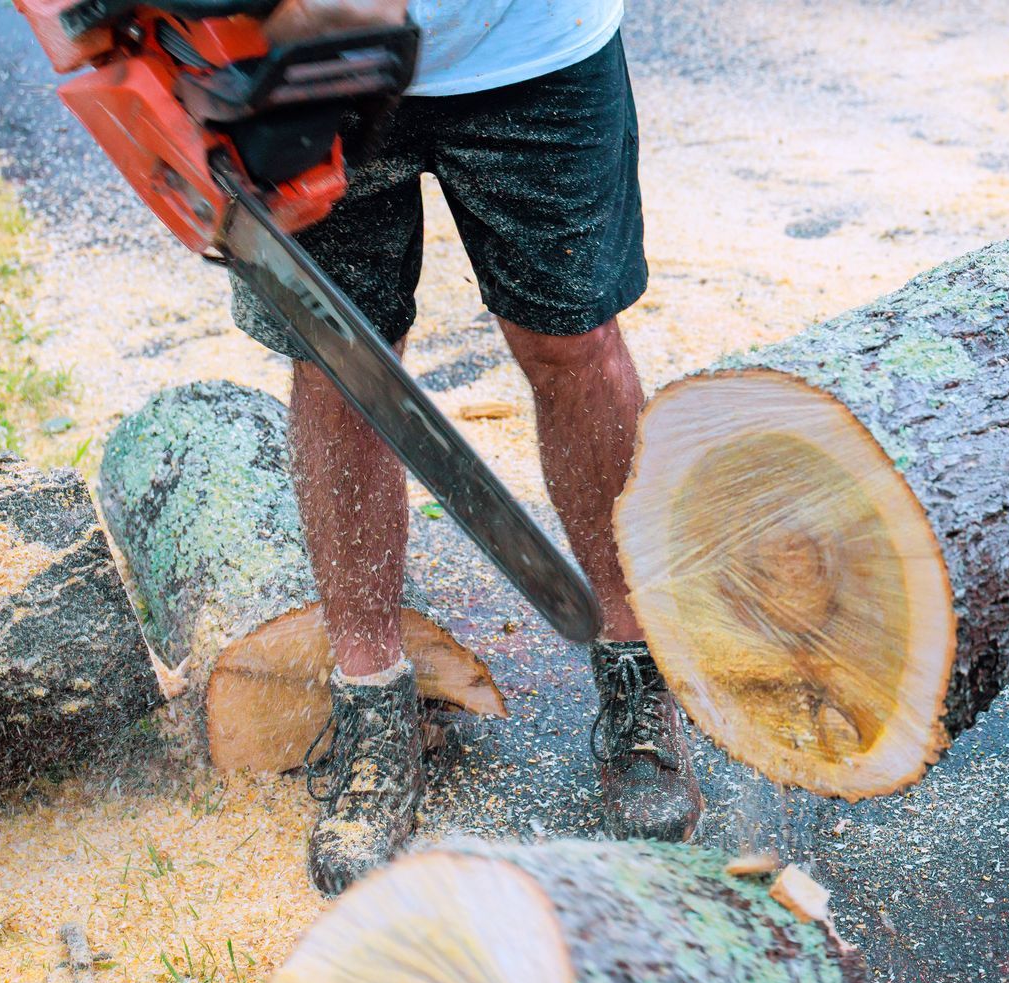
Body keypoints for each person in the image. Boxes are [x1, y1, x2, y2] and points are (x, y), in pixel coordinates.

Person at [236, 0, 701, 895]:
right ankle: (371, 696)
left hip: (528, 50)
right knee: (339, 360)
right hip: (298, 62)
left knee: (572, 342)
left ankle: (638, 670)